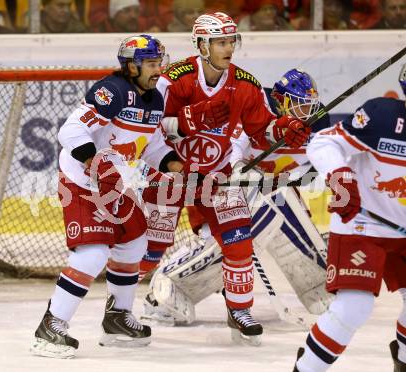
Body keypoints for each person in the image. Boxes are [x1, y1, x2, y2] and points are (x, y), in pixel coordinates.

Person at [139, 12, 311, 345]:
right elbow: (148, 126)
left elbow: (261, 131)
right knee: (149, 250)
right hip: (170, 175)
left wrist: (283, 129)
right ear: (202, 44)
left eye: (232, 40)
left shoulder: (245, 84)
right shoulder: (175, 79)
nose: (228, 47)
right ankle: (118, 308)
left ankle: (239, 310)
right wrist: (189, 120)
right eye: (221, 42)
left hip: (217, 179)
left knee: (238, 241)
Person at [143, 68, 333, 327]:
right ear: (282, 102)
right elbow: (231, 153)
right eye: (300, 105)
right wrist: (241, 173)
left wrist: (286, 180)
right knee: (225, 246)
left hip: (273, 191)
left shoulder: (319, 121)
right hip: (220, 190)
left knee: (284, 208)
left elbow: (313, 171)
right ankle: (168, 288)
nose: (307, 112)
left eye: (310, 105)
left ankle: (317, 288)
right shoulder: (256, 107)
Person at [30, 34, 170, 358]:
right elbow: (70, 131)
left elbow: (151, 147)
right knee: (92, 254)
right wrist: (95, 164)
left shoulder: (154, 99)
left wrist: (175, 163)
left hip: (113, 182)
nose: (157, 70)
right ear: (131, 66)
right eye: (151, 63)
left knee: (134, 242)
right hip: (82, 179)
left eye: (159, 62)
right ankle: (51, 325)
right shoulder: (113, 90)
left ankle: (118, 317)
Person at [293, 64, 406, 371]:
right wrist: (340, 175)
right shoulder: (382, 116)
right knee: (354, 306)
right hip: (364, 222)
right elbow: (322, 142)